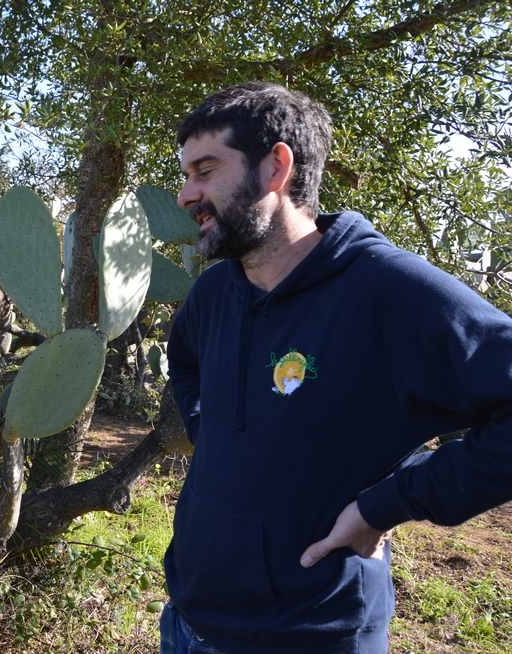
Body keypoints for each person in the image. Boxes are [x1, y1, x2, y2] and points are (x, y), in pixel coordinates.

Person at [162, 82, 512, 653]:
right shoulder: (214, 292)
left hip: (309, 636)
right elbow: (185, 361)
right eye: (186, 173)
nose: (185, 193)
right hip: (188, 622)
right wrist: (215, 436)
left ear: (276, 167)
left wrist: (388, 503)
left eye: (205, 169)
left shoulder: (388, 290)